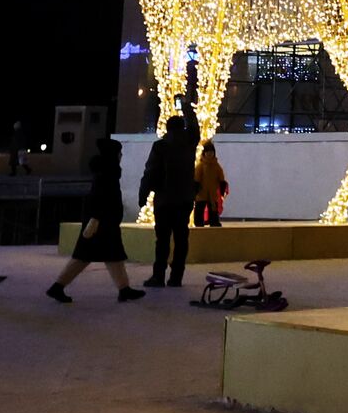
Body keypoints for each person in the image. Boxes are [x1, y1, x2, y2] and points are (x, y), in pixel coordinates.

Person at [45, 139, 145, 303]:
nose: (121, 156)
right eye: (119, 153)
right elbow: (100, 198)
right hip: (102, 224)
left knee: (110, 257)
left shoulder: (106, 172)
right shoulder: (108, 174)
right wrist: (96, 218)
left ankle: (124, 289)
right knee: (89, 257)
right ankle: (58, 286)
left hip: (104, 223)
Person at [138, 114, 198, 287]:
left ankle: (158, 276)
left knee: (162, 239)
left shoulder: (160, 146)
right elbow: (195, 127)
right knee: (181, 238)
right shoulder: (189, 143)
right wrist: (186, 107)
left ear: (167, 128)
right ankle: (176, 276)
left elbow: (150, 171)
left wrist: (143, 195)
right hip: (185, 198)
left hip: (165, 199)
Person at [193, 143, 226, 227]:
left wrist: (222, 187)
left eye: (211, 152)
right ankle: (199, 223)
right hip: (201, 193)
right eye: (208, 152)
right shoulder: (201, 166)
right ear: (204, 153)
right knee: (199, 209)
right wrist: (195, 189)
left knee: (213, 209)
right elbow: (197, 178)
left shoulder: (216, 166)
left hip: (212, 192)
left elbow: (221, 177)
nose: (210, 154)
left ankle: (214, 222)